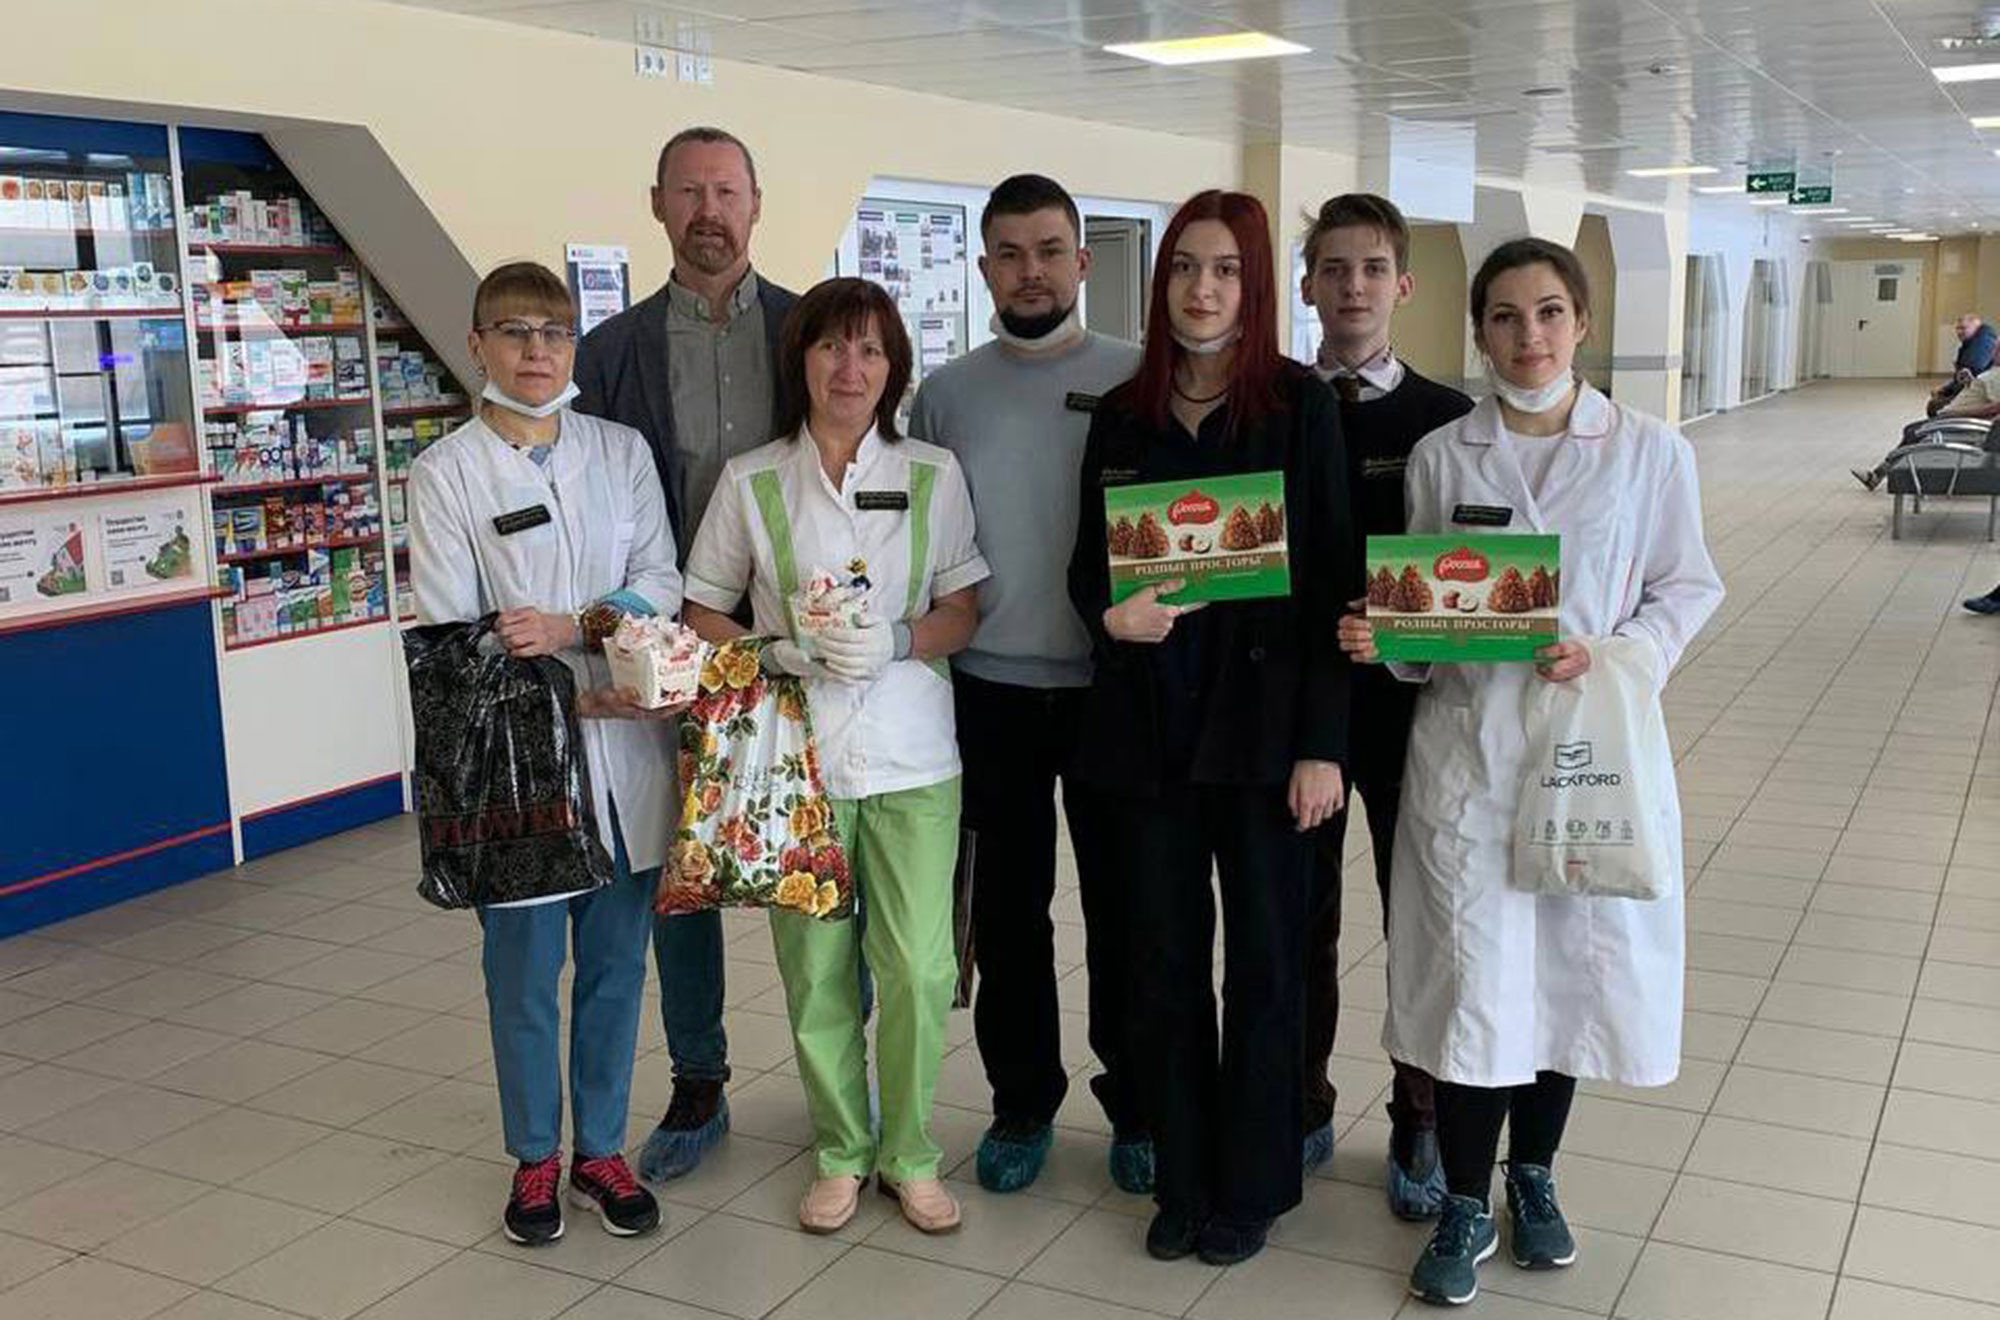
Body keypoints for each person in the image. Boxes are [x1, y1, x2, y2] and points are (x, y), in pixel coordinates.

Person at [1338, 238, 1723, 1307]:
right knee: (1475, 979)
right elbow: (1423, 615)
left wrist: (1613, 653)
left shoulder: (1648, 452)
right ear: (1478, 331)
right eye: (1504, 316)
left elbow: (1686, 588)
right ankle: (1464, 1199)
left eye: (1549, 312)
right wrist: (1388, 639)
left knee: (1564, 975)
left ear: (1582, 322)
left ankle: (1534, 1177)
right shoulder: (1442, 455)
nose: (1528, 336)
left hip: (1586, 747)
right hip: (1468, 756)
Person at [1069, 190, 1353, 1267]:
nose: (1202, 288)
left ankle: (1254, 1181)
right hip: (1149, 738)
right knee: (1162, 961)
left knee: (1269, 967)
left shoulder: (1298, 406)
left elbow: (1332, 580)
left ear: (1255, 285)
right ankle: (1183, 1178)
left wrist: (1322, 744)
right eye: (1186, 266)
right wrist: (1112, 617)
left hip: (1265, 739)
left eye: (1226, 270)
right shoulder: (1122, 414)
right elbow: (1084, 567)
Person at [681, 277, 989, 1236]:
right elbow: (701, 607)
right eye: (830, 347)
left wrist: (899, 640)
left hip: (913, 758)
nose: (849, 368)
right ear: (800, 360)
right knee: (817, 973)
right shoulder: (753, 480)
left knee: (919, 969)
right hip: (796, 764)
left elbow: (962, 607)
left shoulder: (933, 471)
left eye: (870, 350)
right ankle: (841, 1151)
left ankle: (910, 1154)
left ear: (894, 368)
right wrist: (773, 652)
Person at [409, 261, 678, 1247]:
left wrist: (575, 626)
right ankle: (533, 1157)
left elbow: (661, 578)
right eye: (514, 331)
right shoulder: (446, 473)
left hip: (627, 756)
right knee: (521, 975)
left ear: (574, 346)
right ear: (477, 344)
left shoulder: (619, 451)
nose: (535, 350)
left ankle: (600, 1149)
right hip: (516, 770)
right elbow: (454, 635)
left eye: (554, 332)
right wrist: (579, 683)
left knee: (616, 966)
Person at [907, 173, 1151, 1197]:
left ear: (1082, 261)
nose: (1030, 271)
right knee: (1009, 915)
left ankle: (1137, 1103)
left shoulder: (1138, 377)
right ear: (982, 269)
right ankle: (1021, 1101)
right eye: (1008, 254)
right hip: (988, 690)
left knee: (1125, 910)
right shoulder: (945, 395)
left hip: (1110, 689)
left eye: (1049, 250)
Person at [572, 125, 799, 1183]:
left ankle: (843, 1079)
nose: (709, 211)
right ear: (657, 204)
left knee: (818, 861)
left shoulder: (810, 332)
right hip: (666, 654)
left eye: (726, 191)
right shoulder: (609, 353)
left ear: (756, 203)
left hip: (794, 646)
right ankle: (699, 1080)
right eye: (689, 192)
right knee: (682, 873)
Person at [1295, 193, 1472, 1213]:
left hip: (1418, 717)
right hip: (1298, 719)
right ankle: (1301, 1101)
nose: (1352, 287)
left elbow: (1482, 577)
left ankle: (1419, 1116)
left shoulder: (1450, 420)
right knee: (1296, 920)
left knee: (1422, 922)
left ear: (1402, 284)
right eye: (1333, 268)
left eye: (1371, 268)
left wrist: (1402, 626)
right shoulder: (1275, 405)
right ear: (1308, 284)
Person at [1851, 312, 1999, 490]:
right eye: (1995, 349)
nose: (1992, 352)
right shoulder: (1993, 371)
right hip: (1953, 416)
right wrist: (1969, 382)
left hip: (1958, 419)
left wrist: (1955, 413)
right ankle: (1878, 474)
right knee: (1914, 429)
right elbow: (1985, 395)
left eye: (1997, 350)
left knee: (1914, 432)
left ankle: (1877, 476)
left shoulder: (1996, 375)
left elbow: (1994, 409)